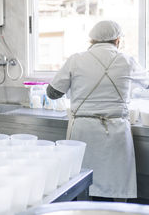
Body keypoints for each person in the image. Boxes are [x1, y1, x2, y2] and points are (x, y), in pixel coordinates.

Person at [47, 20, 149, 200]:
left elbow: (52, 93)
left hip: (84, 131)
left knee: (82, 183)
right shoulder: (127, 60)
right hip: (116, 130)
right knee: (118, 183)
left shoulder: (76, 59)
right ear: (117, 40)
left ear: (92, 40)